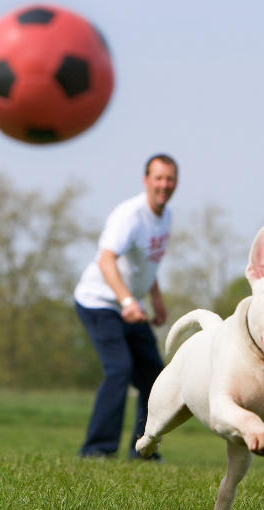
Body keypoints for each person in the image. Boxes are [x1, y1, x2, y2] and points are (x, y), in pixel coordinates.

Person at [73, 154, 178, 459]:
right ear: (146, 180)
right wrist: (128, 301)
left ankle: (143, 451)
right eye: (158, 178)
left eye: (169, 179)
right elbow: (105, 260)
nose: (164, 184)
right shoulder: (130, 215)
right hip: (99, 303)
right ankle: (96, 451)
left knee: (154, 377)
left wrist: (156, 298)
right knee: (119, 369)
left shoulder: (166, 216)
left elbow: (148, 262)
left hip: (130, 305)